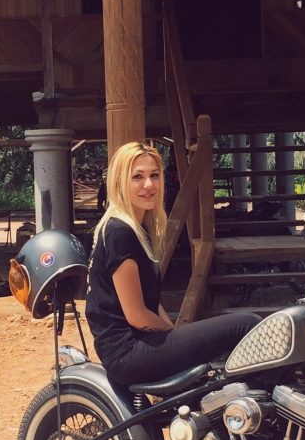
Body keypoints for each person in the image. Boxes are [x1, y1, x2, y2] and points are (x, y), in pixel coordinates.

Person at [86, 141, 260, 387]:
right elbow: (137, 316)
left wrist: (176, 337)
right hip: (128, 352)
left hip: (136, 347)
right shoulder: (119, 232)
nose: (149, 185)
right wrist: (173, 336)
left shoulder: (135, 229)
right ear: (119, 182)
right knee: (246, 324)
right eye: (137, 177)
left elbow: (150, 302)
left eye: (154, 175)